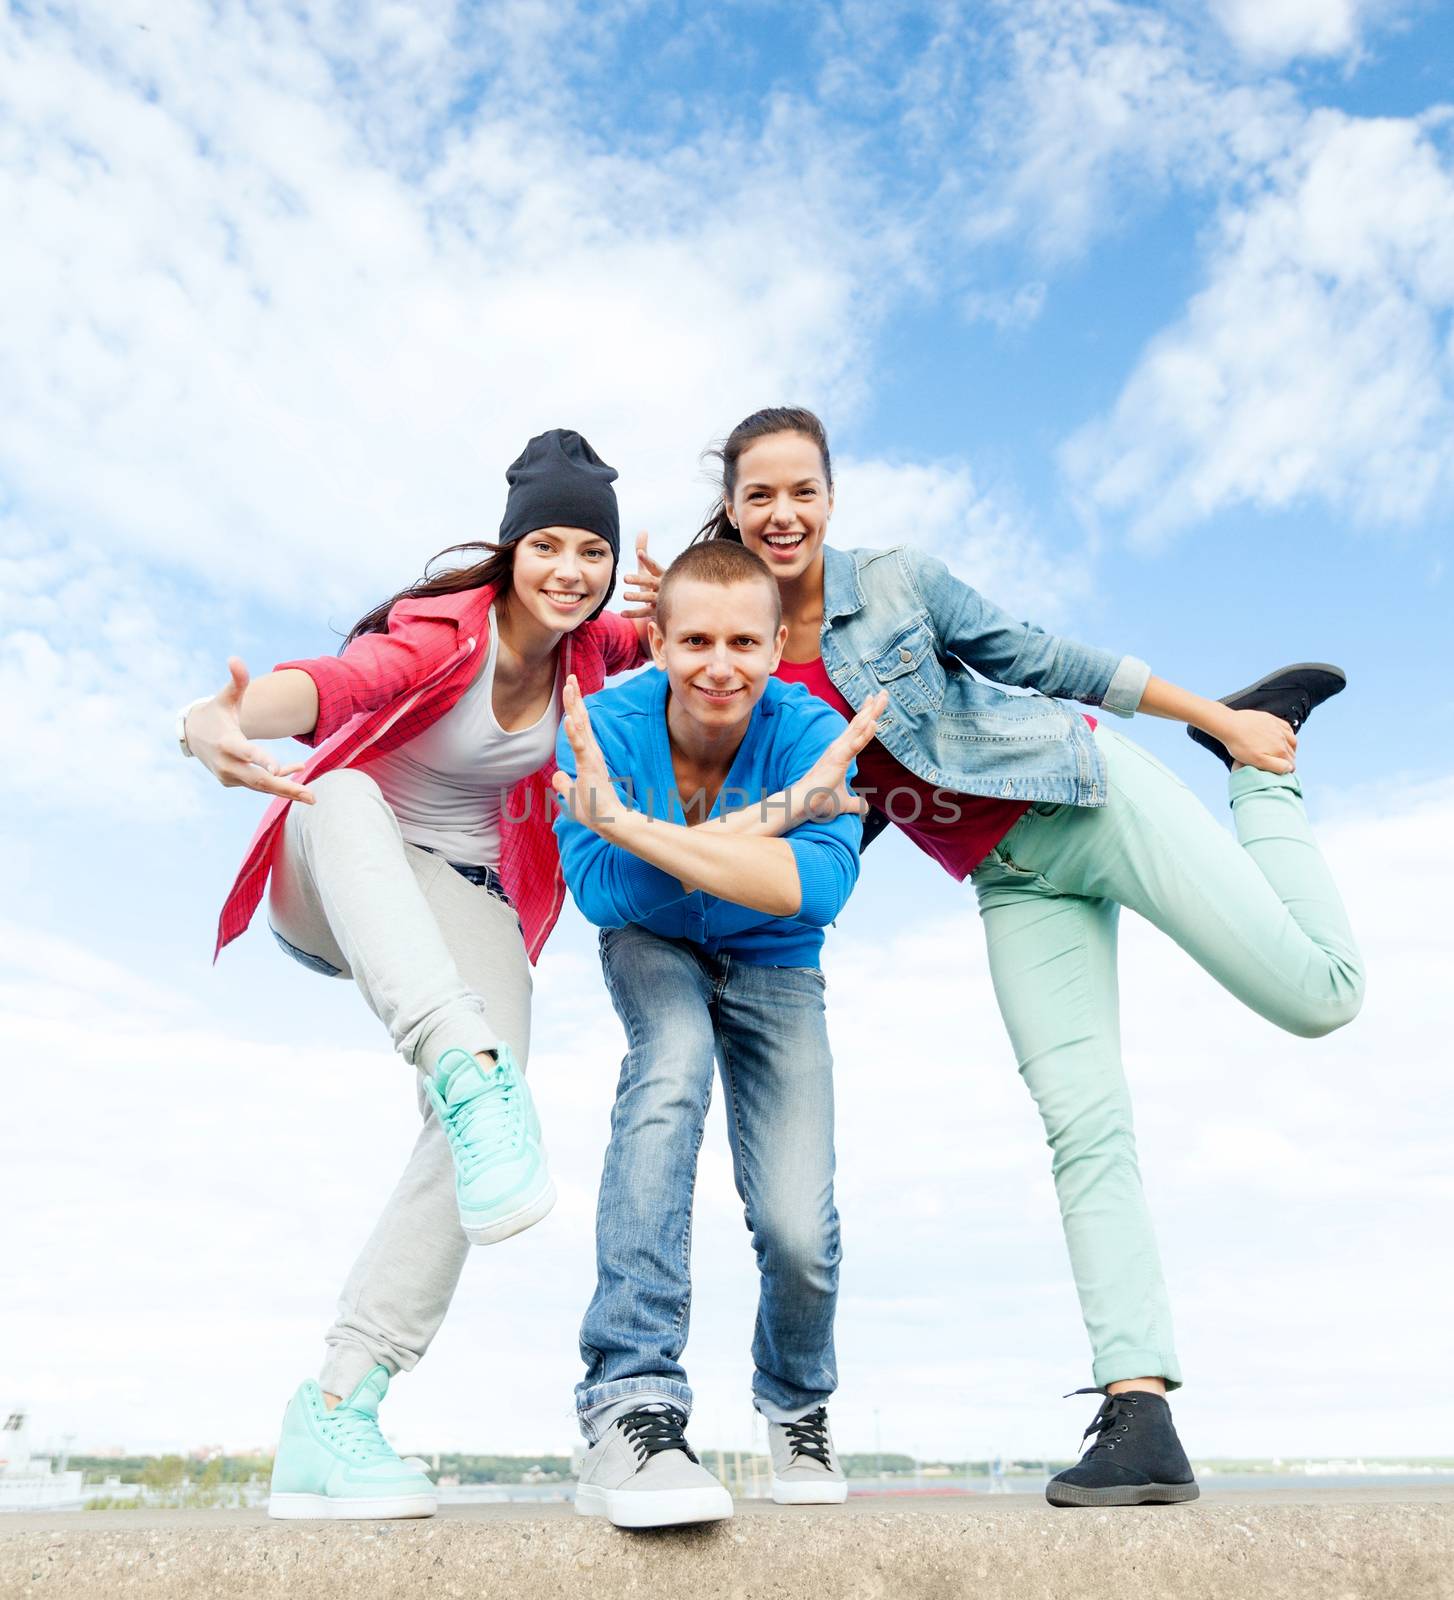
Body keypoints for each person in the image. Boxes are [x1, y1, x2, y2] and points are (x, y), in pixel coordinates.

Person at [697, 406, 1364, 1508]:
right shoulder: (748, 660)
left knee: (1319, 996)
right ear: (730, 506)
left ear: (830, 496)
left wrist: (1221, 725)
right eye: (757, 495)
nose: (781, 514)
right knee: (1081, 1123)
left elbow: (1044, 656)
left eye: (800, 491)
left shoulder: (898, 583)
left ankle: (1262, 775)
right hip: (1011, 881)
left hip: (1086, 795)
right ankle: (1138, 1410)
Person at [178, 429, 661, 1520]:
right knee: (344, 792)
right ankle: (459, 1060)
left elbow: (716, 629)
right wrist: (210, 720)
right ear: (509, 549)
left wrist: (680, 596)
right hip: (331, 863)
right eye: (548, 543)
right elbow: (337, 683)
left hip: (458, 891)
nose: (571, 570)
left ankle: (337, 1407)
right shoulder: (442, 630)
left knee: (490, 1127)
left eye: (592, 550)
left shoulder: (598, 650)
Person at [550, 540, 887, 1528]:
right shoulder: (600, 727)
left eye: (743, 641)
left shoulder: (811, 728)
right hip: (650, 945)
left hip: (776, 957)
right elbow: (601, 890)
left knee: (795, 1223)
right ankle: (630, 1400)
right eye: (693, 639)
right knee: (670, 1075)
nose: (718, 664)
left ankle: (795, 1400)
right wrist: (780, 815)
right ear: (656, 640)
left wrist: (634, 827)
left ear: (777, 645)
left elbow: (813, 888)